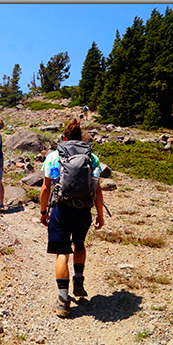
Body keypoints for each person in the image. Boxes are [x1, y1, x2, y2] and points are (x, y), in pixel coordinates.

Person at [39, 118, 105, 318]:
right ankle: (78, 279)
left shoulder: (53, 156)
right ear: (80, 138)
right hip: (84, 209)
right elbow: (98, 189)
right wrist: (100, 214)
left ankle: (62, 300)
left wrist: (43, 212)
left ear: (65, 138)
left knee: (62, 253)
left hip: (61, 208)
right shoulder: (92, 157)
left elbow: (45, 188)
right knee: (80, 244)